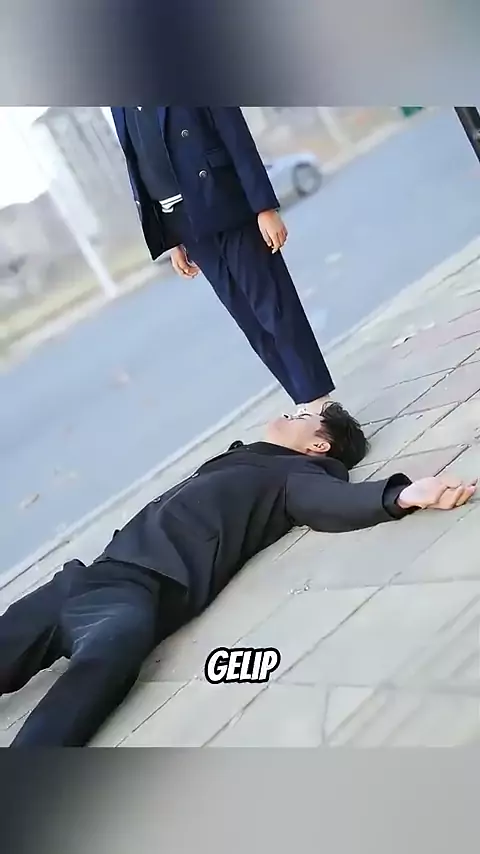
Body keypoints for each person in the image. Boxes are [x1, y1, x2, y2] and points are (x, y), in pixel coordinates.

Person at [2, 404, 476, 747]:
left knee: (101, 668)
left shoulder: (296, 476)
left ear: (318, 446)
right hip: (81, 580)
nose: (291, 412)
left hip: (132, 598)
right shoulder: (247, 457)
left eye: (304, 416)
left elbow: (335, 503)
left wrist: (403, 495)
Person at [110, 106, 334, 413]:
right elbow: (141, 165)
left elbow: (236, 135)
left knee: (275, 307)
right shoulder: (118, 107)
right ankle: (303, 401)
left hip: (226, 203)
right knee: (250, 321)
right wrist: (171, 237)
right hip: (184, 224)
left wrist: (264, 208)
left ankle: (319, 401)